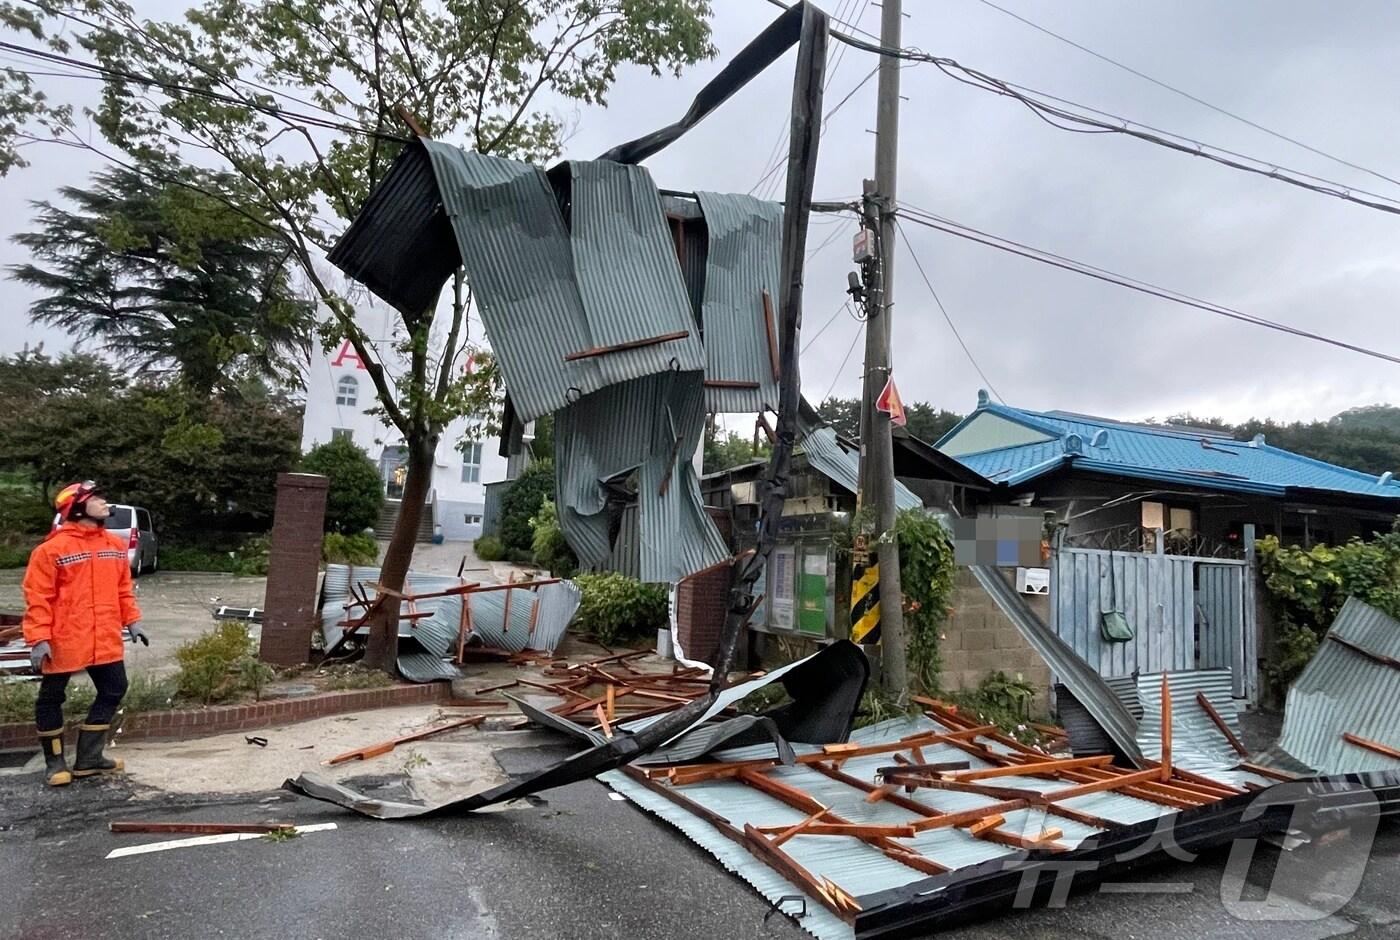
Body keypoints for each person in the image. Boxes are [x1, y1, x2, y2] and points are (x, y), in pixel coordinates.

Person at [22, 481, 149, 787]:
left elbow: (122, 590)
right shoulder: (51, 551)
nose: (106, 503)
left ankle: (89, 759)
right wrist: (38, 639)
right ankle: (55, 764)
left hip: (104, 638)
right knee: (51, 699)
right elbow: (38, 598)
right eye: (98, 498)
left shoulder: (114, 546)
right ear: (77, 507)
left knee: (114, 688)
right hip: (64, 640)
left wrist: (132, 620)